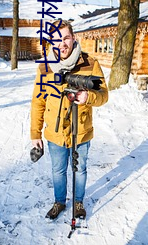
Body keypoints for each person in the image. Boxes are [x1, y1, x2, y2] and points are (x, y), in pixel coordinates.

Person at [30, 20, 108, 220]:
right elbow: (38, 102)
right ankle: (59, 202)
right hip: (55, 132)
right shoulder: (45, 68)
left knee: (80, 168)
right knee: (58, 170)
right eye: (57, 39)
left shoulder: (90, 64)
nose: (62, 43)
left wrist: (88, 97)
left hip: (81, 130)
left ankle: (79, 202)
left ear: (73, 38)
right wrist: (35, 134)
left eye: (66, 38)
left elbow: (104, 95)